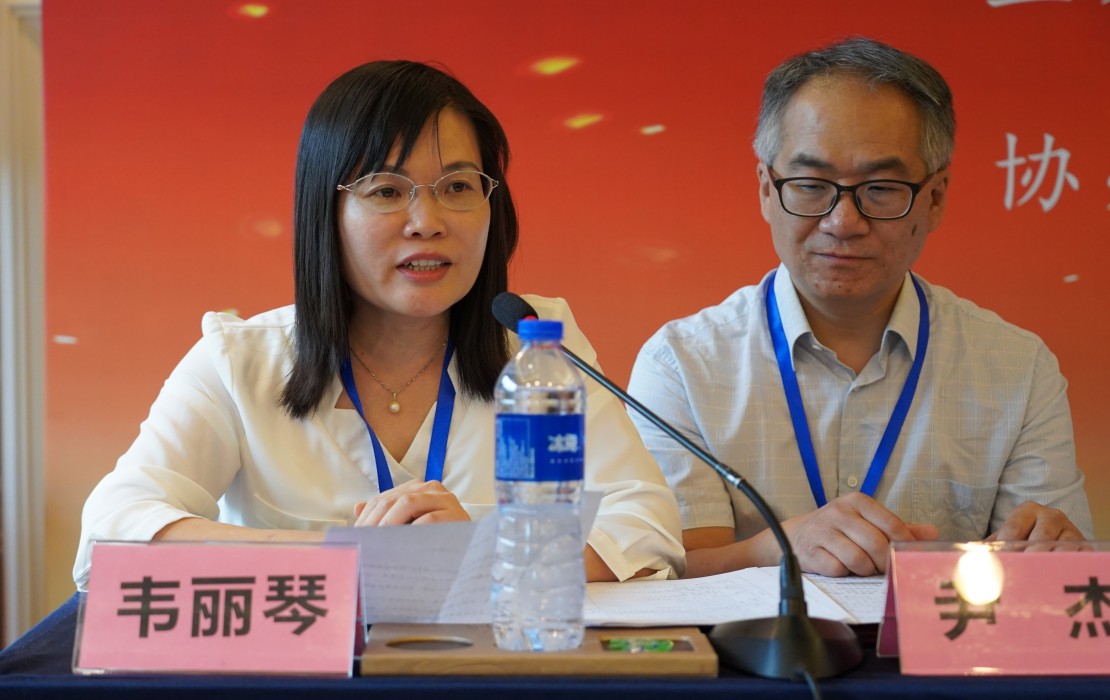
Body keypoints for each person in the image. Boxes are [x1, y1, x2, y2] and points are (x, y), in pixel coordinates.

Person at [74, 60, 684, 590]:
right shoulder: (240, 362)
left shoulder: (537, 344)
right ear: (326, 212)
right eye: (387, 191)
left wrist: (481, 553)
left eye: (458, 186)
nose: (427, 221)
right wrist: (349, 557)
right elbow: (111, 532)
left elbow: (646, 525)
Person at [627, 37, 1093, 579]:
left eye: (881, 188)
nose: (842, 222)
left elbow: (1044, 581)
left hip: (940, 637)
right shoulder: (682, 365)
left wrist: (1050, 555)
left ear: (935, 198)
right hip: (750, 639)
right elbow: (670, 574)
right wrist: (780, 547)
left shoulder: (1018, 368)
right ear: (766, 190)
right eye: (810, 184)